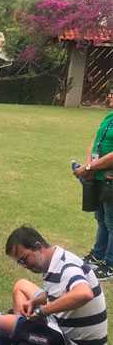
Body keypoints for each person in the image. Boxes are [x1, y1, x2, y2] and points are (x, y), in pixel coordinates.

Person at [0, 226, 107, 345]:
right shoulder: (56, 259)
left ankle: (21, 332)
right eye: (20, 263)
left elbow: (84, 293)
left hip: (73, 341)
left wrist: (42, 311)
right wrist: (34, 302)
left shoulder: (68, 268)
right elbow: (56, 293)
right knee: (21, 285)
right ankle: (22, 329)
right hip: (59, 326)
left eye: (24, 259)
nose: (24, 266)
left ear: (38, 247)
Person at [73, 103, 113, 281]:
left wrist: (89, 167)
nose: (110, 95)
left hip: (110, 178)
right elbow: (95, 141)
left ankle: (110, 264)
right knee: (102, 219)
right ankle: (98, 255)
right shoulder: (109, 117)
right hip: (100, 176)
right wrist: (88, 166)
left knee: (112, 223)